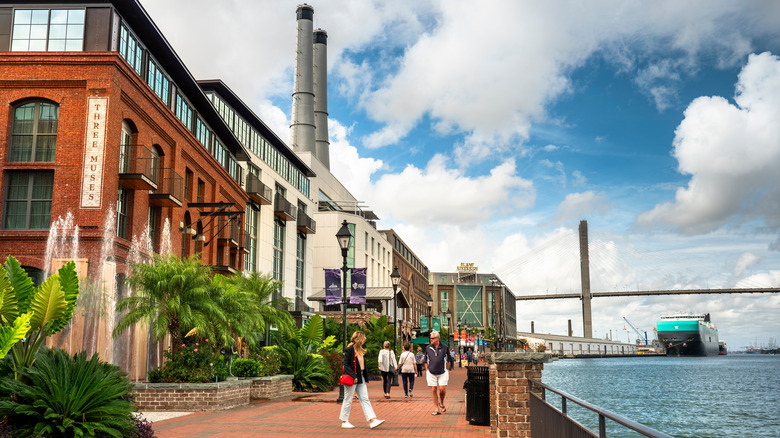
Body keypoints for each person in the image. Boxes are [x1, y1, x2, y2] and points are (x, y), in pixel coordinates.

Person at [339, 331, 385, 430]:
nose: (364, 340)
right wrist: (353, 376)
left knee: (364, 398)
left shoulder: (360, 350)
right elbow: (345, 364)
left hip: (361, 376)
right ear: (360, 339)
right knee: (348, 399)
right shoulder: (349, 350)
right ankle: (344, 421)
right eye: (363, 338)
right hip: (352, 377)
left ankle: (372, 420)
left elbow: (361, 365)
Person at [422, 330, 451, 415]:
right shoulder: (428, 348)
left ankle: (441, 402)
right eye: (430, 338)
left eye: (432, 338)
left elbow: (449, 360)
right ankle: (436, 408)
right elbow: (425, 360)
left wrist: (447, 370)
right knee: (433, 389)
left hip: (442, 372)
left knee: (442, 389)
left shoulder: (445, 347)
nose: (431, 339)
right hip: (431, 372)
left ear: (438, 338)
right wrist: (427, 370)